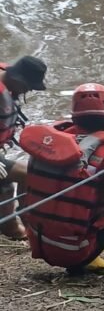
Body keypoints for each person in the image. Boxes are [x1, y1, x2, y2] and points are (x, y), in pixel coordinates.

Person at [18, 83, 104, 273]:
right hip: (74, 253)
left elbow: (25, 191)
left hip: (38, 242)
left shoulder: (47, 146)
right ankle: (87, 258)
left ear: (74, 116)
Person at [0, 56, 47, 239]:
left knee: (25, 174)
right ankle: (13, 227)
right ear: (18, 79)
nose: (28, 91)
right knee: (22, 176)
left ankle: (22, 218)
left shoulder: (7, 81)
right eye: (28, 87)